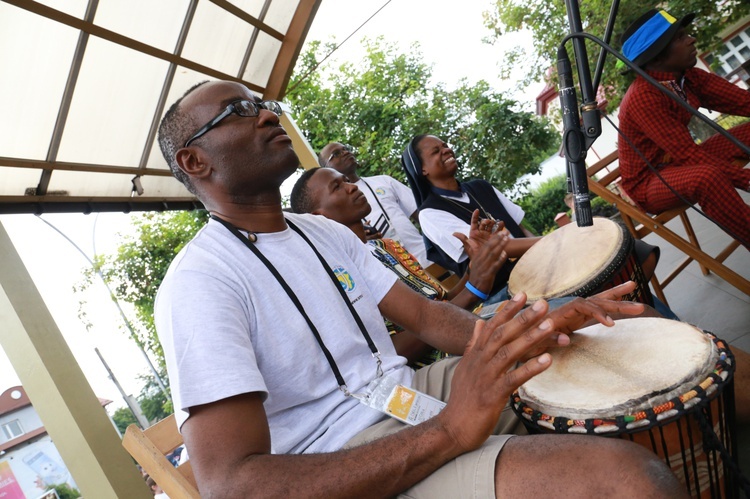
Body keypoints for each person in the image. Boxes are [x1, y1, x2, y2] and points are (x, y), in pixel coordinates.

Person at [154, 79, 686, 497]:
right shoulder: (199, 281)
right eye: (240, 112)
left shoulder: (321, 233)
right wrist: (451, 429)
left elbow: (430, 319)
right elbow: (235, 487)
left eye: (262, 103)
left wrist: (534, 325)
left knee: (619, 342)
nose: (270, 114)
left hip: (409, 392)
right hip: (342, 453)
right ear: (195, 161)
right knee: (627, 480)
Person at [290, 166, 510, 367]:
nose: (351, 187)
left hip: (465, 335)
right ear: (317, 218)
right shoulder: (337, 274)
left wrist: (476, 265)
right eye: (337, 187)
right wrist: (473, 290)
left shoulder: (385, 246)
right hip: (441, 369)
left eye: (347, 180)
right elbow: (391, 350)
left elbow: (441, 301)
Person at [618, 9, 750, 250]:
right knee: (706, 178)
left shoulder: (688, 76)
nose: (691, 39)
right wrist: (746, 179)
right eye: (679, 37)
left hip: (682, 162)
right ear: (656, 57)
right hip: (651, 182)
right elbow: (690, 155)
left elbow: (744, 102)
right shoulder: (643, 97)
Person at [402, 134, 540, 297]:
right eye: (436, 151)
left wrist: (546, 251)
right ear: (422, 169)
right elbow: (490, 249)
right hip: (504, 290)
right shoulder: (430, 213)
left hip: (534, 267)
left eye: (445, 145)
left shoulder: (481, 187)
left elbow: (521, 229)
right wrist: (548, 241)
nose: (446, 150)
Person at [319, 142, 433, 267]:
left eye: (346, 149)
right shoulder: (335, 209)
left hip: (427, 257)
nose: (346, 152)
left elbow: (424, 215)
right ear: (326, 168)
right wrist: (362, 239)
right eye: (336, 154)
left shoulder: (384, 181)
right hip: (395, 274)